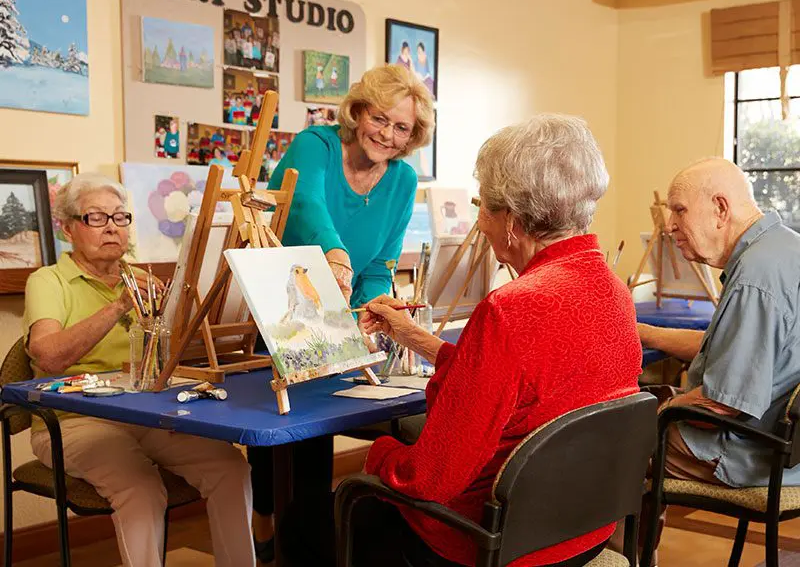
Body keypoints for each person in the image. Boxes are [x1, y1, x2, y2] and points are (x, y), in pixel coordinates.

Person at [277, 114, 642, 567]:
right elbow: (513, 380)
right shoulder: (611, 289)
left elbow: (430, 479)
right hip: (579, 531)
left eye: (483, 208)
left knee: (302, 521)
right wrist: (411, 335)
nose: (482, 224)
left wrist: (379, 454)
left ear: (512, 219)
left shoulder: (511, 309)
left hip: (487, 543)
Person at [248, 64, 435, 563]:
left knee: (319, 434)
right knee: (289, 430)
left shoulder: (402, 179)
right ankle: (267, 521)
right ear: (357, 111)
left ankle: (301, 546)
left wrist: (372, 306)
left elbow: (381, 261)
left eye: (402, 128)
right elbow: (306, 204)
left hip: (341, 311)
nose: (388, 136)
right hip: (286, 301)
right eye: (380, 119)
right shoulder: (317, 145)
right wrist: (333, 255)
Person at [23, 173, 255, 567]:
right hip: (70, 420)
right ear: (67, 228)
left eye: (120, 217)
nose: (112, 227)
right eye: (96, 218)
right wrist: (118, 306)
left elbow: (177, 354)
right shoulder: (48, 280)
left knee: (230, 467)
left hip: (143, 412)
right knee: (141, 487)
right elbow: (48, 356)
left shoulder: (143, 281)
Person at [636, 157, 800, 560]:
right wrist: (640, 331)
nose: (670, 225)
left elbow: (722, 403)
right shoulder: (785, 248)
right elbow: (721, 347)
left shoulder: (755, 279)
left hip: (748, 452)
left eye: (679, 210)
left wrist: (663, 411)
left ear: (721, 209)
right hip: (785, 445)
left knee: (609, 443)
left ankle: (625, 559)